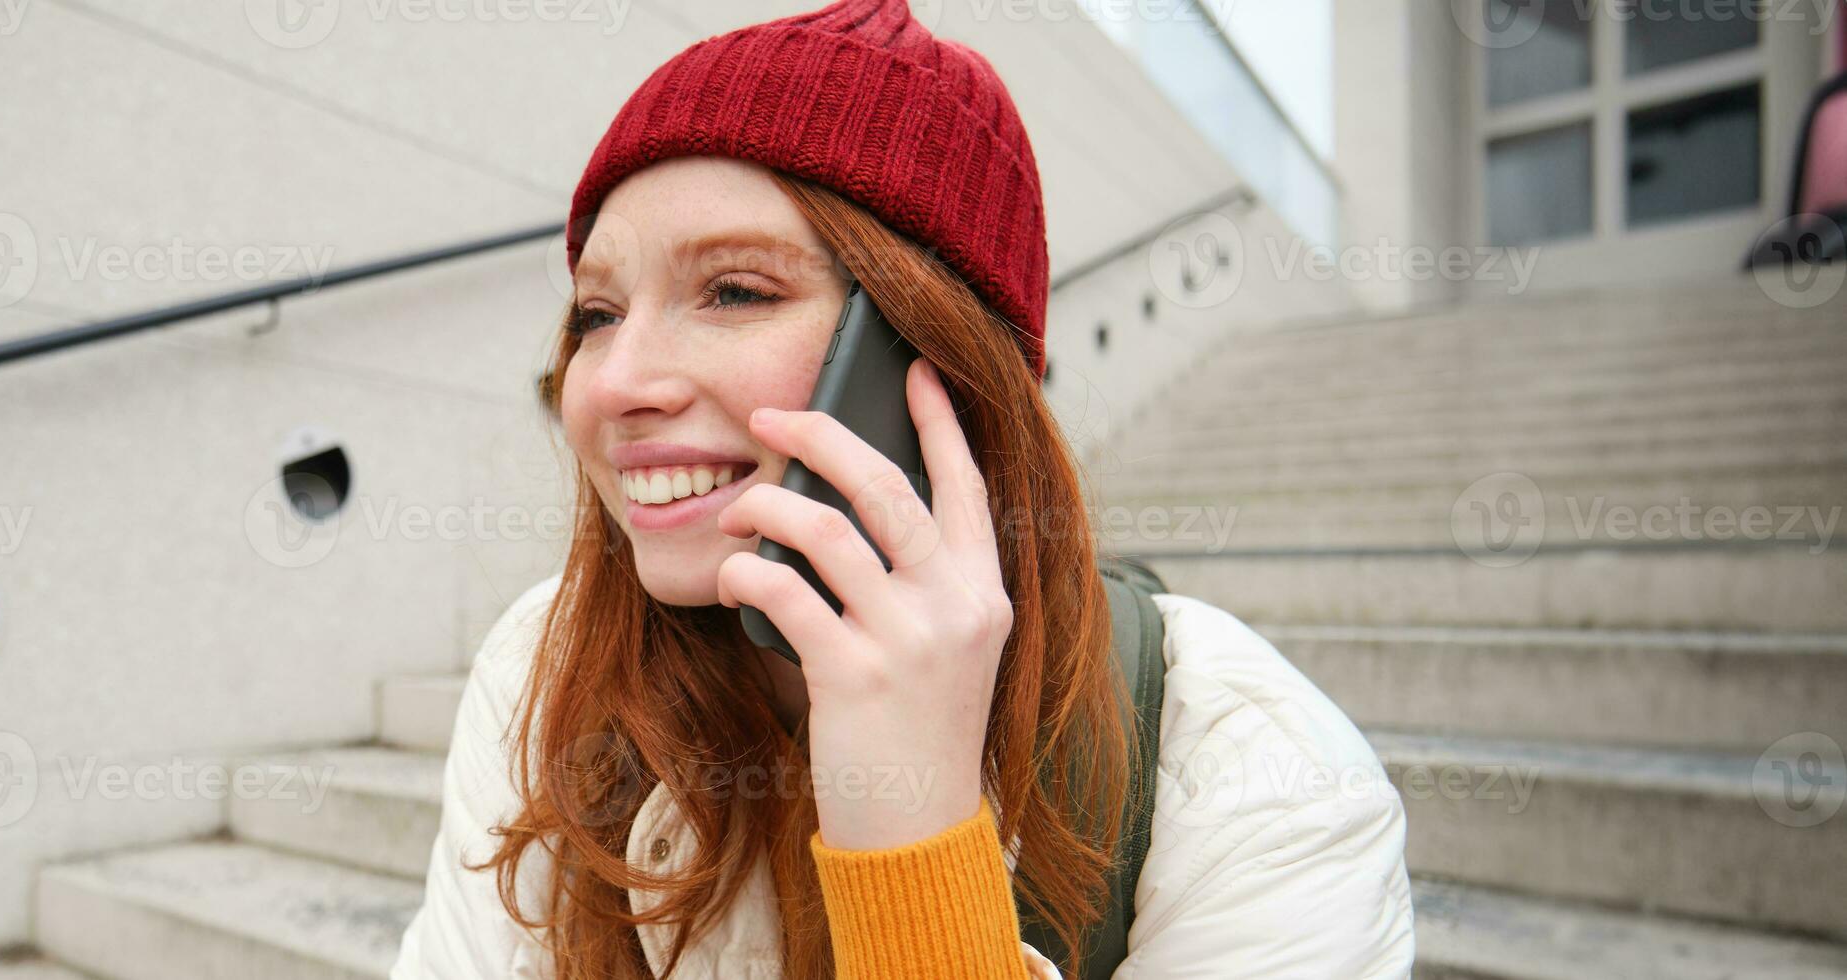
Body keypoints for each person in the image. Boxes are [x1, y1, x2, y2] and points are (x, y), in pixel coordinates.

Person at [392, 1, 1414, 976]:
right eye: (595, 314)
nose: (612, 384)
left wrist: (913, 831)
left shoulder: (1258, 772)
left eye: (735, 290)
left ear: (930, 362)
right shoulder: (542, 659)